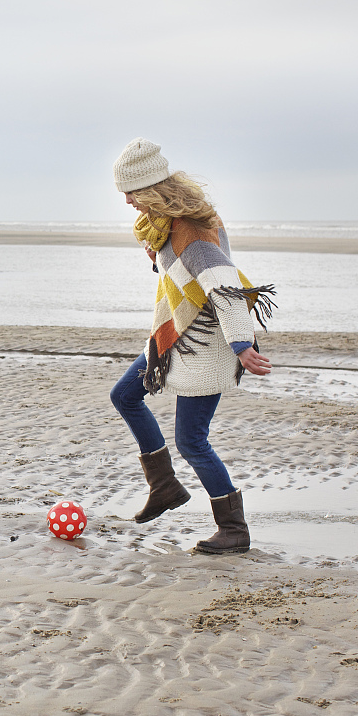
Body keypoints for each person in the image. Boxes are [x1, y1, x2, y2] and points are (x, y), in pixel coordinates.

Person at [108, 138, 275, 554]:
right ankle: (164, 486)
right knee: (125, 395)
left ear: (149, 189)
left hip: (205, 341)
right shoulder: (165, 224)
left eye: (130, 192)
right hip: (176, 335)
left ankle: (234, 530)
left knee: (192, 441)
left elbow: (224, 284)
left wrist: (240, 344)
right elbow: (181, 275)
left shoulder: (191, 229)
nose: (126, 201)